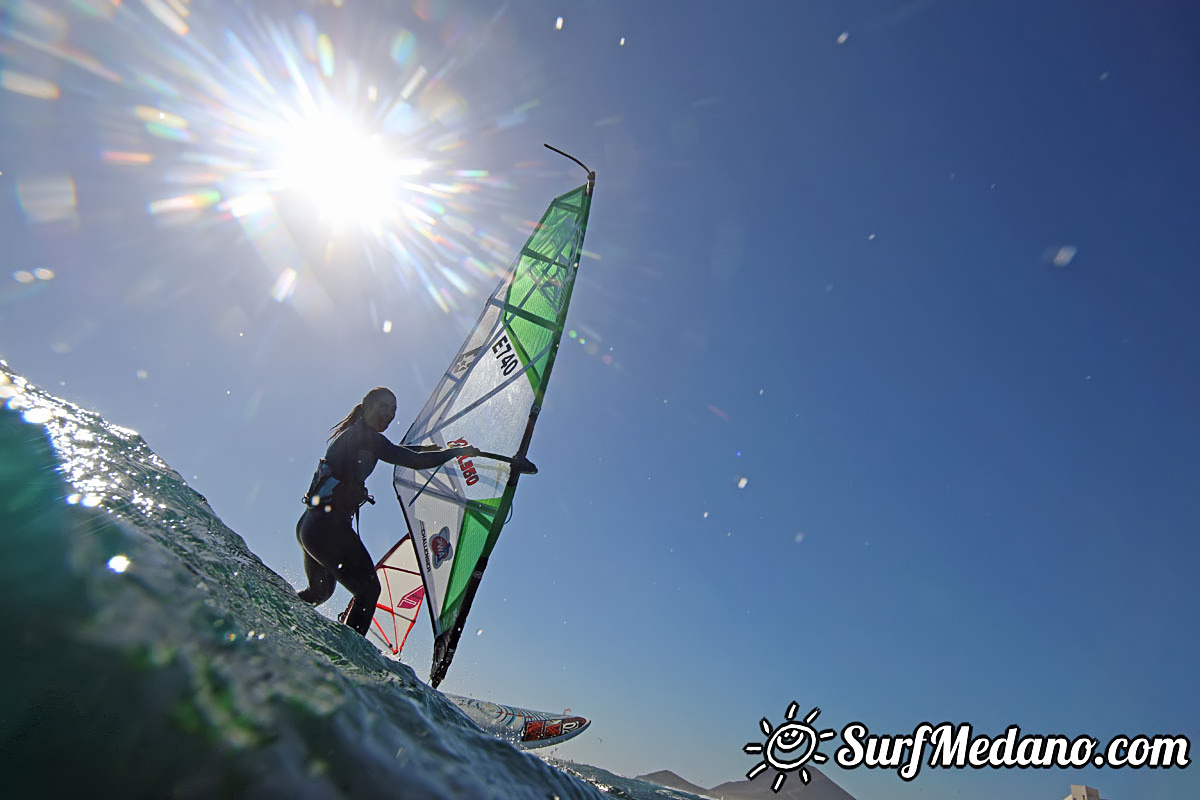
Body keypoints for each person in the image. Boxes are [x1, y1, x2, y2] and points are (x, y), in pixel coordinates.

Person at [295, 386, 479, 636]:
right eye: (383, 406)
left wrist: (435, 451)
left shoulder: (360, 436)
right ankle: (346, 658)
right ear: (366, 406)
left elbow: (403, 451)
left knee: (319, 593)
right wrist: (453, 453)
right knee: (369, 591)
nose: (389, 414)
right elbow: (408, 459)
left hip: (311, 527)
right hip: (327, 528)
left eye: (393, 410)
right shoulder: (365, 436)